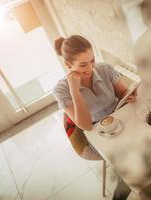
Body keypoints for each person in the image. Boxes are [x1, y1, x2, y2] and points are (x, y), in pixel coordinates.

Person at [53, 35, 135, 199]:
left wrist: (129, 95)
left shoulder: (105, 69)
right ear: (68, 64)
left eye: (92, 60)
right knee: (130, 164)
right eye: (83, 64)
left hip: (120, 119)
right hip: (96, 132)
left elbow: (123, 93)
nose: (90, 68)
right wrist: (75, 90)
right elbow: (84, 125)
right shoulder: (61, 90)